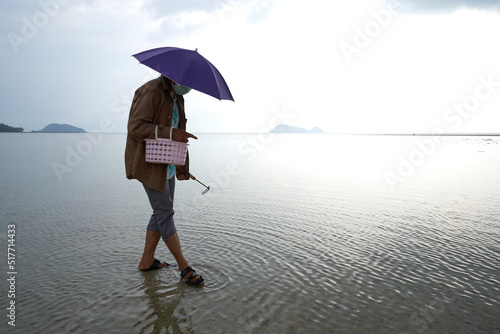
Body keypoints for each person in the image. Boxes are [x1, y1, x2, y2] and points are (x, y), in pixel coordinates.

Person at [125, 75, 204, 286]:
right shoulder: (151, 90)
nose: (189, 88)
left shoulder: (177, 97)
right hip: (149, 163)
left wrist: (182, 164)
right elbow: (135, 127)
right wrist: (170, 132)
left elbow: (175, 131)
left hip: (166, 163)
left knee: (160, 212)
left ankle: (146, 261)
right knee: (165, 212)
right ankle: (184, 267)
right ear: (176, 77)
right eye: (187, 83)